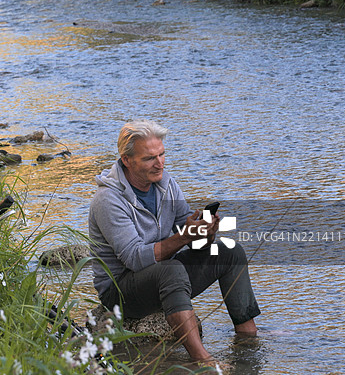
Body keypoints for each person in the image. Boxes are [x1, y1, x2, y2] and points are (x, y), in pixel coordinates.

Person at [88, 119, 260, 363]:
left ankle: (248, 337)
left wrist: (205, 232)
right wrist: (183, 236)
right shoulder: (108, 200)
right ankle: (202, 360)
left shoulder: (165, 184)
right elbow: (135, 259)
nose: (159, 163)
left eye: (162, 154)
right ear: (127, 160)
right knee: (171, 270)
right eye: (149, 158)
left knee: (230, 252)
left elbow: (189, 237)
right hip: (120, 292)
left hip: (161, 278)